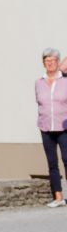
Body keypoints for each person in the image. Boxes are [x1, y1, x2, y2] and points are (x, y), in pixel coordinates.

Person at [35, 48, 67, 207]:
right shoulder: (39, 82)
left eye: (53, 60)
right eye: (47, 61)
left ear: (57, 62)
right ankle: (58, 197)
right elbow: (39, 103)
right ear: (44, 63)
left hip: (64, 127)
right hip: (46, 127)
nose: (50, 63)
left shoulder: (65, 80)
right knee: (52, 163)